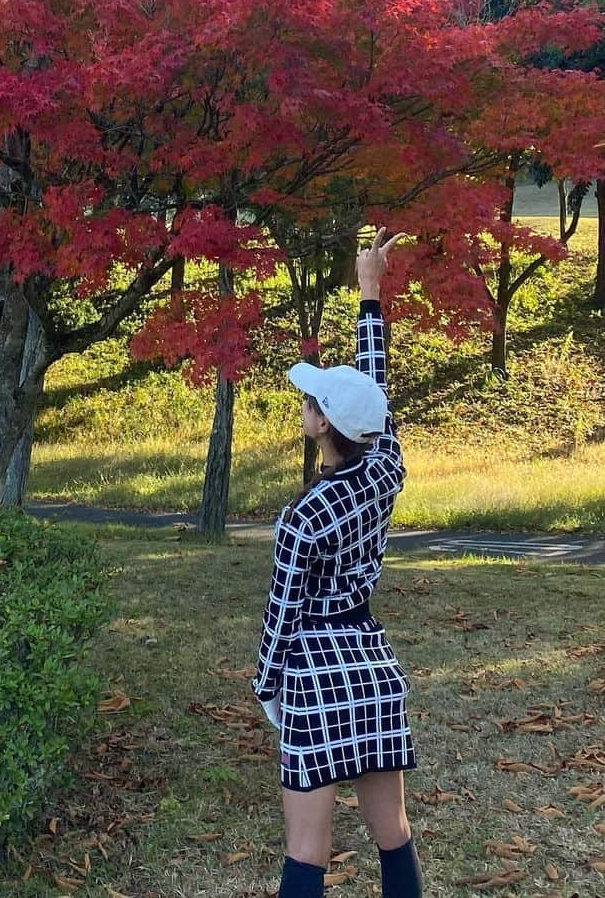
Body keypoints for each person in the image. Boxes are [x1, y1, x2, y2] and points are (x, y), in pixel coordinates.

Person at [250, 226, 423, 898]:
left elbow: (281, 616)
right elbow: (372, 392)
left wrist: (267, 688)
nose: (305, 403)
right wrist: (370, 290)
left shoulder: (304, 518)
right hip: (374, 669)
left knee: (306, 851)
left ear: (324, 424)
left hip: (316, 678)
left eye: (312, 400)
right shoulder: (385, 466)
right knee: (395, 836)